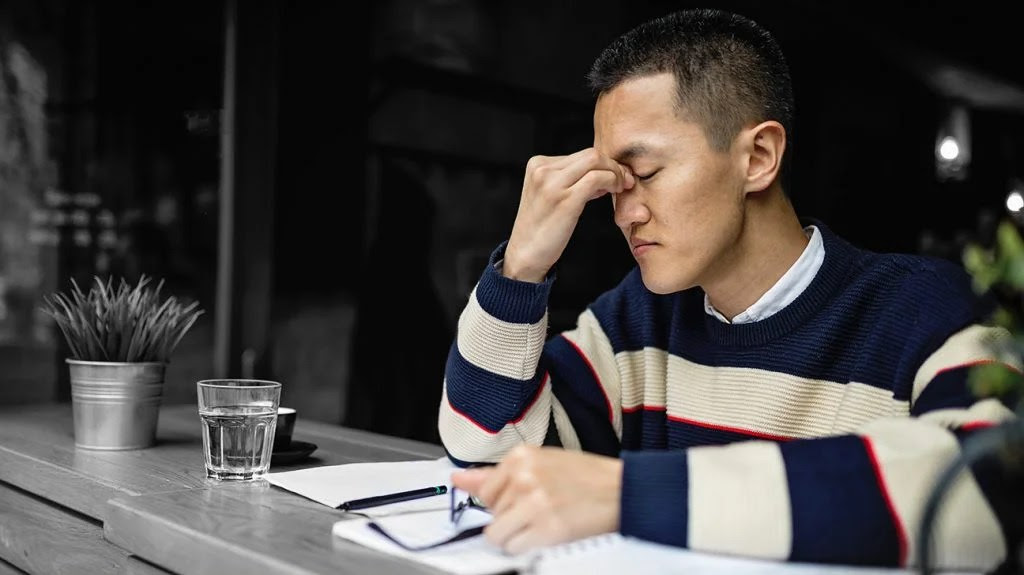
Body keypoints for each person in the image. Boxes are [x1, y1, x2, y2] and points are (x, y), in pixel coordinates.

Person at [437, 7, 1019, 571]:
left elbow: (990, 492)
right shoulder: (634, 323)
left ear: (759, 157)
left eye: (645, 174)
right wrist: (520, 271)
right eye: (614, 185)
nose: (623, 214)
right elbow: (492, 459)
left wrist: (629, 495)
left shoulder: (931, 311)